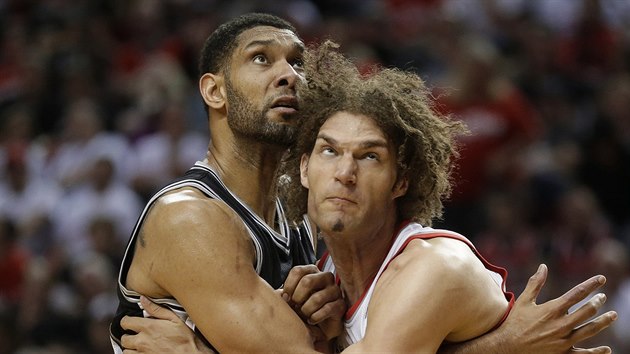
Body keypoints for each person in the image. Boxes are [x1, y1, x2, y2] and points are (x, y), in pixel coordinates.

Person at [119, 31, 617, 353]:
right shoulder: (324, 269)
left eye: (370, 156)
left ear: (403, 180)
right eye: (331, 152)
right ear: (306, 170)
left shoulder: (431, 268)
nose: (346, 173)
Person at [109, 13, 346, 353]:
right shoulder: (188, 218)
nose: (289, 76)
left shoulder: (296, 210)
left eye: (297, 62)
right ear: (214, 90)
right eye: (261, 58)